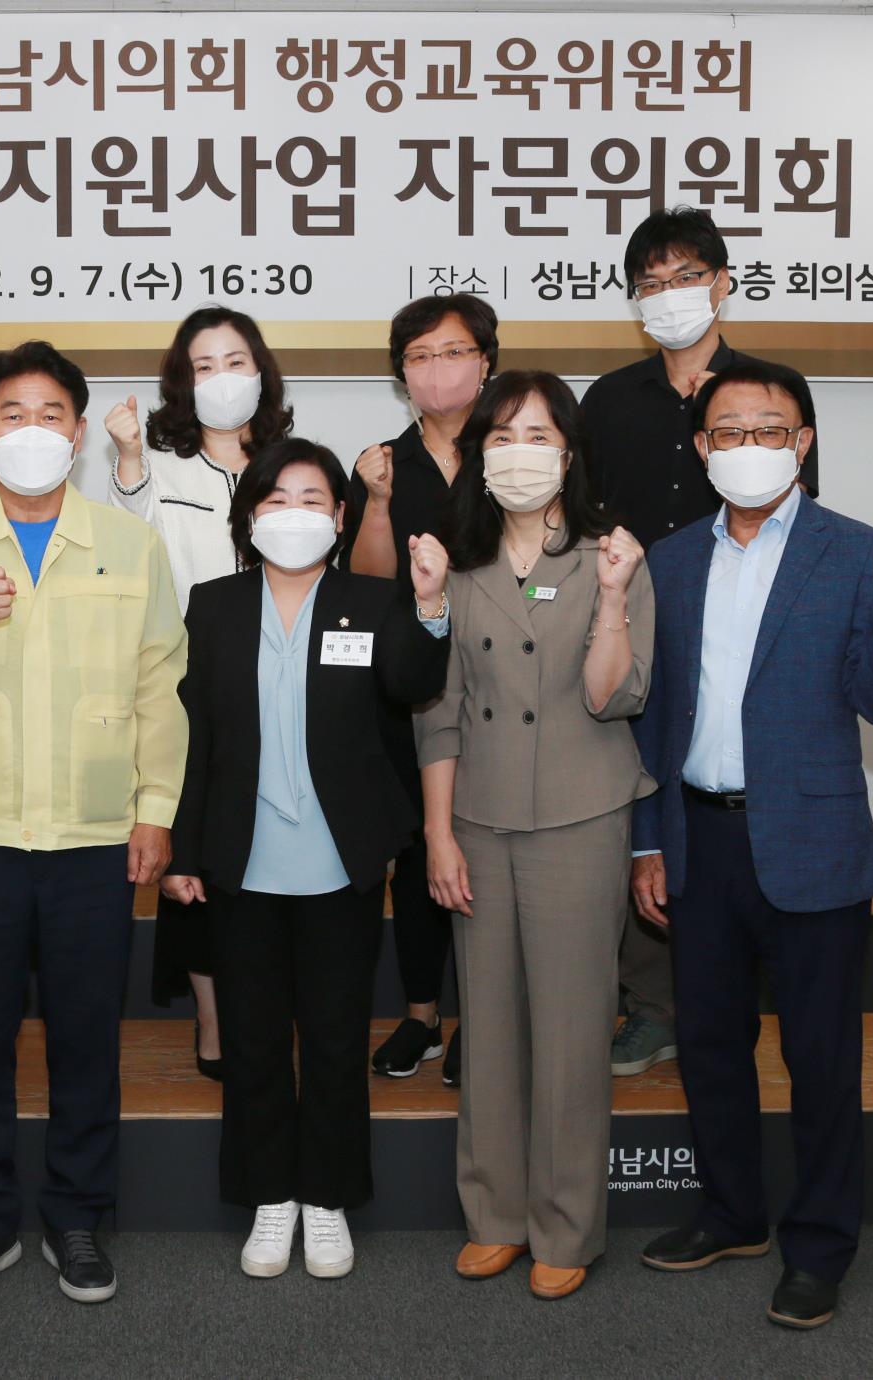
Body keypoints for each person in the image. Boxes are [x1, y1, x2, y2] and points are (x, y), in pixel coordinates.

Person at [0, 340, 186, 1308]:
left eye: (50, 413)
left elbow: (161, 688)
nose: (31, 430)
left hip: (94, 836)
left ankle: (77, 1217)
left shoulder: (129, 545)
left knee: (86, 1038)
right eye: (11, 413)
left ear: (79, 433)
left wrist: (155, 810)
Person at [630, 359, 873, 1331]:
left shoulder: (855, 551)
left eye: (768, 428)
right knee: (709, 1046)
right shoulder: (670, 561)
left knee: (820, 1059)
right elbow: (653, 720)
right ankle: (730, 1215)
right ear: (701, 446)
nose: (747, 446)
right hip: (696, 841)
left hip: (810, 843)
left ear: (801, 442)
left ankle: (819, 1248)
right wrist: (644, 844)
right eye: (728, 431)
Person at [162, 439, 450, 1280]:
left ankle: (326, 1197)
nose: (294, 514)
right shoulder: (212, 605)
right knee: (251, 1039)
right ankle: (268, 1195)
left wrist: (429, 605)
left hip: (338, 858)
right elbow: (193, 736)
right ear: (249, 516)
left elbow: (411, 686)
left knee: (332, 1036)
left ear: (340, 515)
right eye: (275, 499)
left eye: (312, 498)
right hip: (241, 857)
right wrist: (183, 848)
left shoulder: (371, 598)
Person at [414, 370, 652, 1301]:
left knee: (570, 1029)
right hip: (477, 818)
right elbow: (437, 712)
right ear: (479, 454)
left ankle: (564, 1225)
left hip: (579, 816)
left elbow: (609, 696)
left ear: (569, 452)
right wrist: (437, 834)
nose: (519, 454)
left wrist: (613, 597)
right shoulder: (455, 564)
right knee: (489, 1022)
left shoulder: (611, 554)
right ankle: (494, 1215)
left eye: (539, 435)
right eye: (502, 436)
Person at [582, 205, 827, 1083]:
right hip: (635, 626)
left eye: (685, 277)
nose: (669, 295)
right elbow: (585, 519)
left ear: (722, 282)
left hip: (741, 627)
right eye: (649, 284)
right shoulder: (608, 400)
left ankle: (735, 1001)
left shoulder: (767, 390)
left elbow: (801, 516)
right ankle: (652, 1009)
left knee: (727, 812)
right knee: (641, 814)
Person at [108, 305, 299, 1081]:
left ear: (260, 370)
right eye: (204, 366)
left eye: (235, 361)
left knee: (275, 855)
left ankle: (271, 1006)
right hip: (190, 692)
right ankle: (213, 1020)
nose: (222, 378)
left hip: (285, 687)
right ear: (182, 383)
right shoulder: (159, 462)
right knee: (195, 862)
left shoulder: (291, 463)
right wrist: (128, 458)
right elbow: (131, 534)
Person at [340, 294, 500, 1086]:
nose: (437, 370)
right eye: (419, 356)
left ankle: (483, 1019)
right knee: (413, 853)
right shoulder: (380, 462)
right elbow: (367, 582)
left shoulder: (516, 448)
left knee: (490, 844)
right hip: (408, 680)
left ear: (485, 362)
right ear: (400, 373)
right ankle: (422, 1016)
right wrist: (373, 500)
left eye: (453, 351)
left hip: (505, 675)